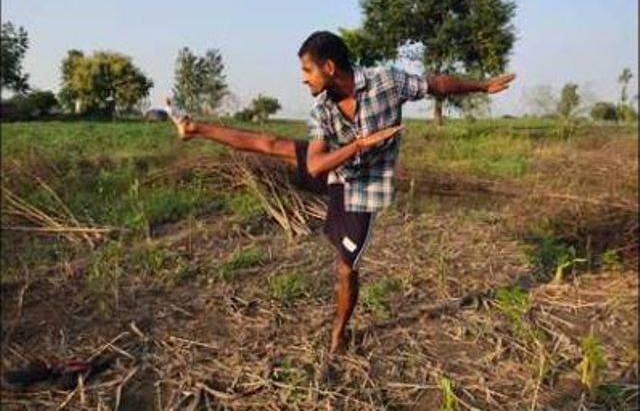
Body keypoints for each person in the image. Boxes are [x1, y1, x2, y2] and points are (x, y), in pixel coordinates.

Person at [166, 31, 515, 357]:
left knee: (347, 270)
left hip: (363, 187)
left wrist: (483, 86)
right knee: (272, 144)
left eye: (307, 70)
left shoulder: (387, 81)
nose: (303, 78)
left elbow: (435, 85)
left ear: (329, 68)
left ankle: (340, 330)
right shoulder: (321, 109)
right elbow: (317, 165)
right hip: (333, 165)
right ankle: (195, 128)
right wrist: (359, 144)